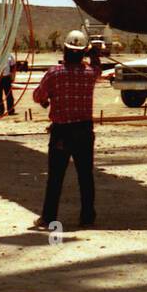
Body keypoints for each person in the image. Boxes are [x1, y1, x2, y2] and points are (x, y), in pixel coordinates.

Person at [33, 30, 103, 229]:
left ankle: (48, 217)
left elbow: (38, 96)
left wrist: (47, 99)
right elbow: (97, 68)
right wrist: (94, 54)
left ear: (65, 50)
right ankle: (87, 216)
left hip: (61, 133)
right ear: (82, 53)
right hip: (84, 131)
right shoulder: (89, 74)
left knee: (55, 177)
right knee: (85, 175)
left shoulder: (54, 73)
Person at [0, 52, 17, 117]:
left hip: (6, 77)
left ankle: (10, 110)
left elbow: (13, 66)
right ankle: (0, 111)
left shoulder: (9, 55)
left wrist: (13, 76)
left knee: (9, 95)